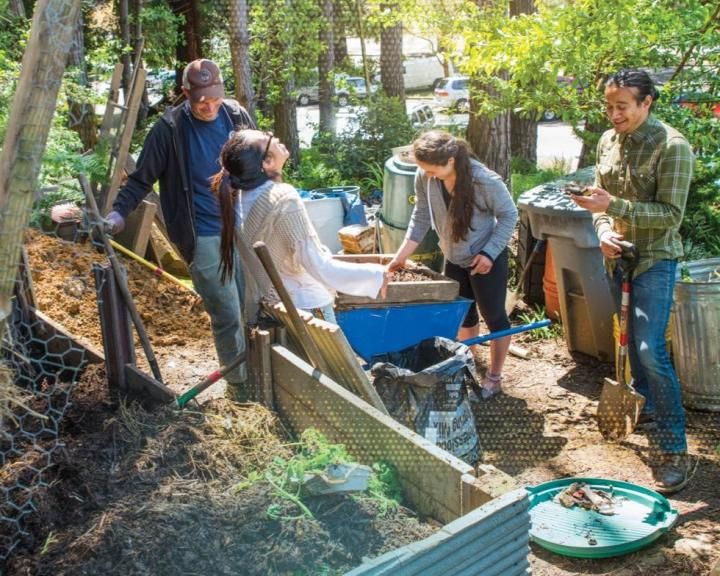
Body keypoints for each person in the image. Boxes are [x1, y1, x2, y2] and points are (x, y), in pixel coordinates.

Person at [571, 68, 693, 494]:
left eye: (622, 106)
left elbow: (670, 216)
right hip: (617, 257)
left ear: (646, 103)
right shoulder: (608, 141)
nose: (613, 114)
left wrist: (614, 204)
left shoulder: (672, 147)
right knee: (630, 347)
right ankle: (648, 414)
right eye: (609, 106)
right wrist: (603, 229)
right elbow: (600, 203)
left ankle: (673, 447)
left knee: (650, 348)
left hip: (656, 260)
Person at [106, 59, 255, 401]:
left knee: (250, 306)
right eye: (201, 98)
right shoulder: (169, 129)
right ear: (186, 93)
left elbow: (259, 164)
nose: (209, 105)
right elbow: (141, 179)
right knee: (227, 312)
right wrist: (117, 214)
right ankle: (240, 391)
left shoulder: (236, 116)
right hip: (201, 232)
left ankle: (256, 373)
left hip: (243, 227)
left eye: (214, 97)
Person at [387, 130, 519, 399]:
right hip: (453, 256)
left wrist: (490, 253)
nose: (427, 175)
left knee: (495, 318)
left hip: (486, 259)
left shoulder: (484, 181)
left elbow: (509, 215)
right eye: (424, 170)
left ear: (450, 160)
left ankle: (494, 377)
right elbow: (421, 216)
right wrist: (399, 257)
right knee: (463, 315)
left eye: (432, 170)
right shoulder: (425, 176)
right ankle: (469, 364)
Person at [212, 129, 387, 322]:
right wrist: (376, 275)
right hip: (307, 307)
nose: (274, 135)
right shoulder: (284, 199)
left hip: (273, 308)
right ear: (267, 162)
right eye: (267, 137)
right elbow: (319, 266)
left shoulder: (238, 199)